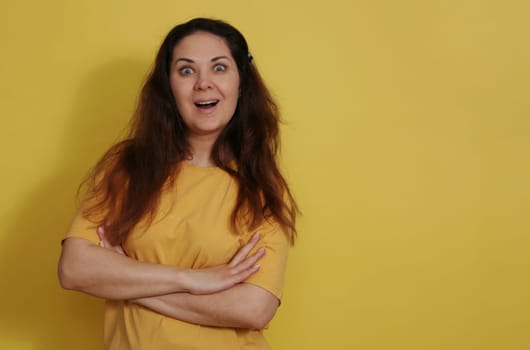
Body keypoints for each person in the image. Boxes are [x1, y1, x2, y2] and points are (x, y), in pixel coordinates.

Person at [58, 17, 298, 350]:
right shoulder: (127, 166)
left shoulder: (262, 188)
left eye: (219, 68)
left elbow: (254, 308)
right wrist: (193, 280)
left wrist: (125, 279)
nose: (203, 83)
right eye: (186, 70)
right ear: (168, 87)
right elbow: (75, 268)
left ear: (241, 82)